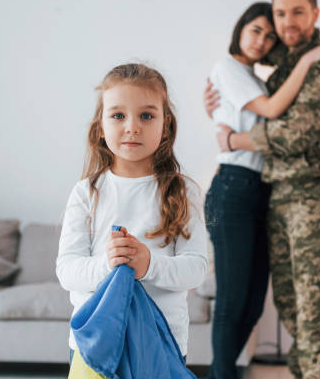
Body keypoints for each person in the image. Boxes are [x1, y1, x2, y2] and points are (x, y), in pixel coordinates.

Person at [205, 0, 320, 379]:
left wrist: (231, 137)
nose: (286, 23)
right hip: (273, 194)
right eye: (279, 14)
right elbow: (247, 96)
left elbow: (294, 132)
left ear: (315, 14)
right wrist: (216, 110)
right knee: (290, 303)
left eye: (297, 12)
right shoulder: (281, 66)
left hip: (313, 195)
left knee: (312, 304)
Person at [56, 63, 208, 368]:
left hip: (161, 345)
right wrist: (108, 264)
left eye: (147, 116)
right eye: (118, 115)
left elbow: (196, 269)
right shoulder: (86, 192)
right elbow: (67, 270)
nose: (132, 127)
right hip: (94, 346)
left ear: (165, 126)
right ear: (101, 126)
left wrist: (148, 264)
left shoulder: (182, 191)